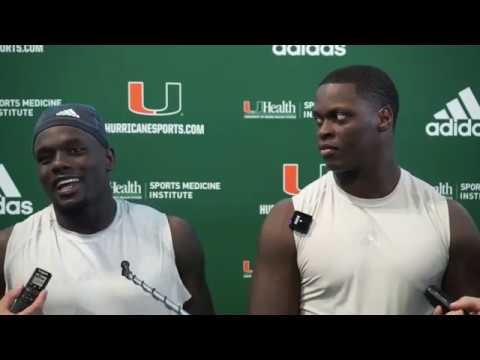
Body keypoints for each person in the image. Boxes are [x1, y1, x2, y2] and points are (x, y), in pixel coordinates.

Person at [249, 65, 480, 315]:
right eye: (319, 119)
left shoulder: (450, 219)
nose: (324, 130)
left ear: (384, 118)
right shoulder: (287, 218)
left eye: (340, 117)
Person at [0, 104, 214, 315]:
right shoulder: (9, 245)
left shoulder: (172, 236)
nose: (57, 164)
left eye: (75, 151)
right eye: (45, 158)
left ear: (108, 159)